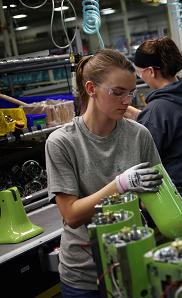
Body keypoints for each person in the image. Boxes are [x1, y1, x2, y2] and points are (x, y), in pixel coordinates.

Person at [45, 49, 163, 297]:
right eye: (117, 92)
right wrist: (121, 184)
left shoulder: (139, 135)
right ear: (91, 88)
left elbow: (158, 197)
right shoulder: (62, 142)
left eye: (130, 92)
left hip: (134, 261)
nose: (127, 101)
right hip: (85, 275)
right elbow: (71, 214)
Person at [126, 37, 182, 241]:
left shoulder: (158, 109)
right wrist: (132, 113)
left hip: (178, 199)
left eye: (140, 72)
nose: (141, 77)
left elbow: (145, 158)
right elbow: (166, 121)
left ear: (151, 71)